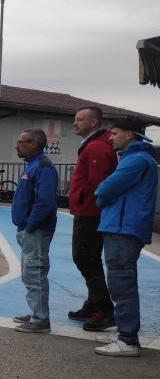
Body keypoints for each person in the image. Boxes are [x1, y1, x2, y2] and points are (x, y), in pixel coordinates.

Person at [92, 118, 156, 357]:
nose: (110, 138)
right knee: (121, 282)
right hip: (122, 227)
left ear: (129, 134)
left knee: (121, 283)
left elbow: (106, 189)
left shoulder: (136, 159)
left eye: (115, 133)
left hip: (123, 228)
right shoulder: (136, 158)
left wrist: (100, 195)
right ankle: (124, 333)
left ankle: (127, 340)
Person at [65, 106, 118, 331]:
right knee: (89, 258)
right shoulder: (95, 144)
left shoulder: (96, 147)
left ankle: (104, 309)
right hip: (88, 210)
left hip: (90, 212)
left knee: (85, 258)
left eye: (80, 119)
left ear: (93, 122)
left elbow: (99, 183)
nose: (74, 123)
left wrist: (87, 202)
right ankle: (93, 305)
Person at [10, 129, 59, 333]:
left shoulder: (42, 166)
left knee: (35, 273)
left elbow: (45, 201)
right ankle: (37, 312)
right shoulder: (32, 165)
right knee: (30, 274)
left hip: (36, 230)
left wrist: (30, 226)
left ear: (33, 144)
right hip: (29, 229)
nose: (17, 145)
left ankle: (40, 320)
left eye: (20, 142)